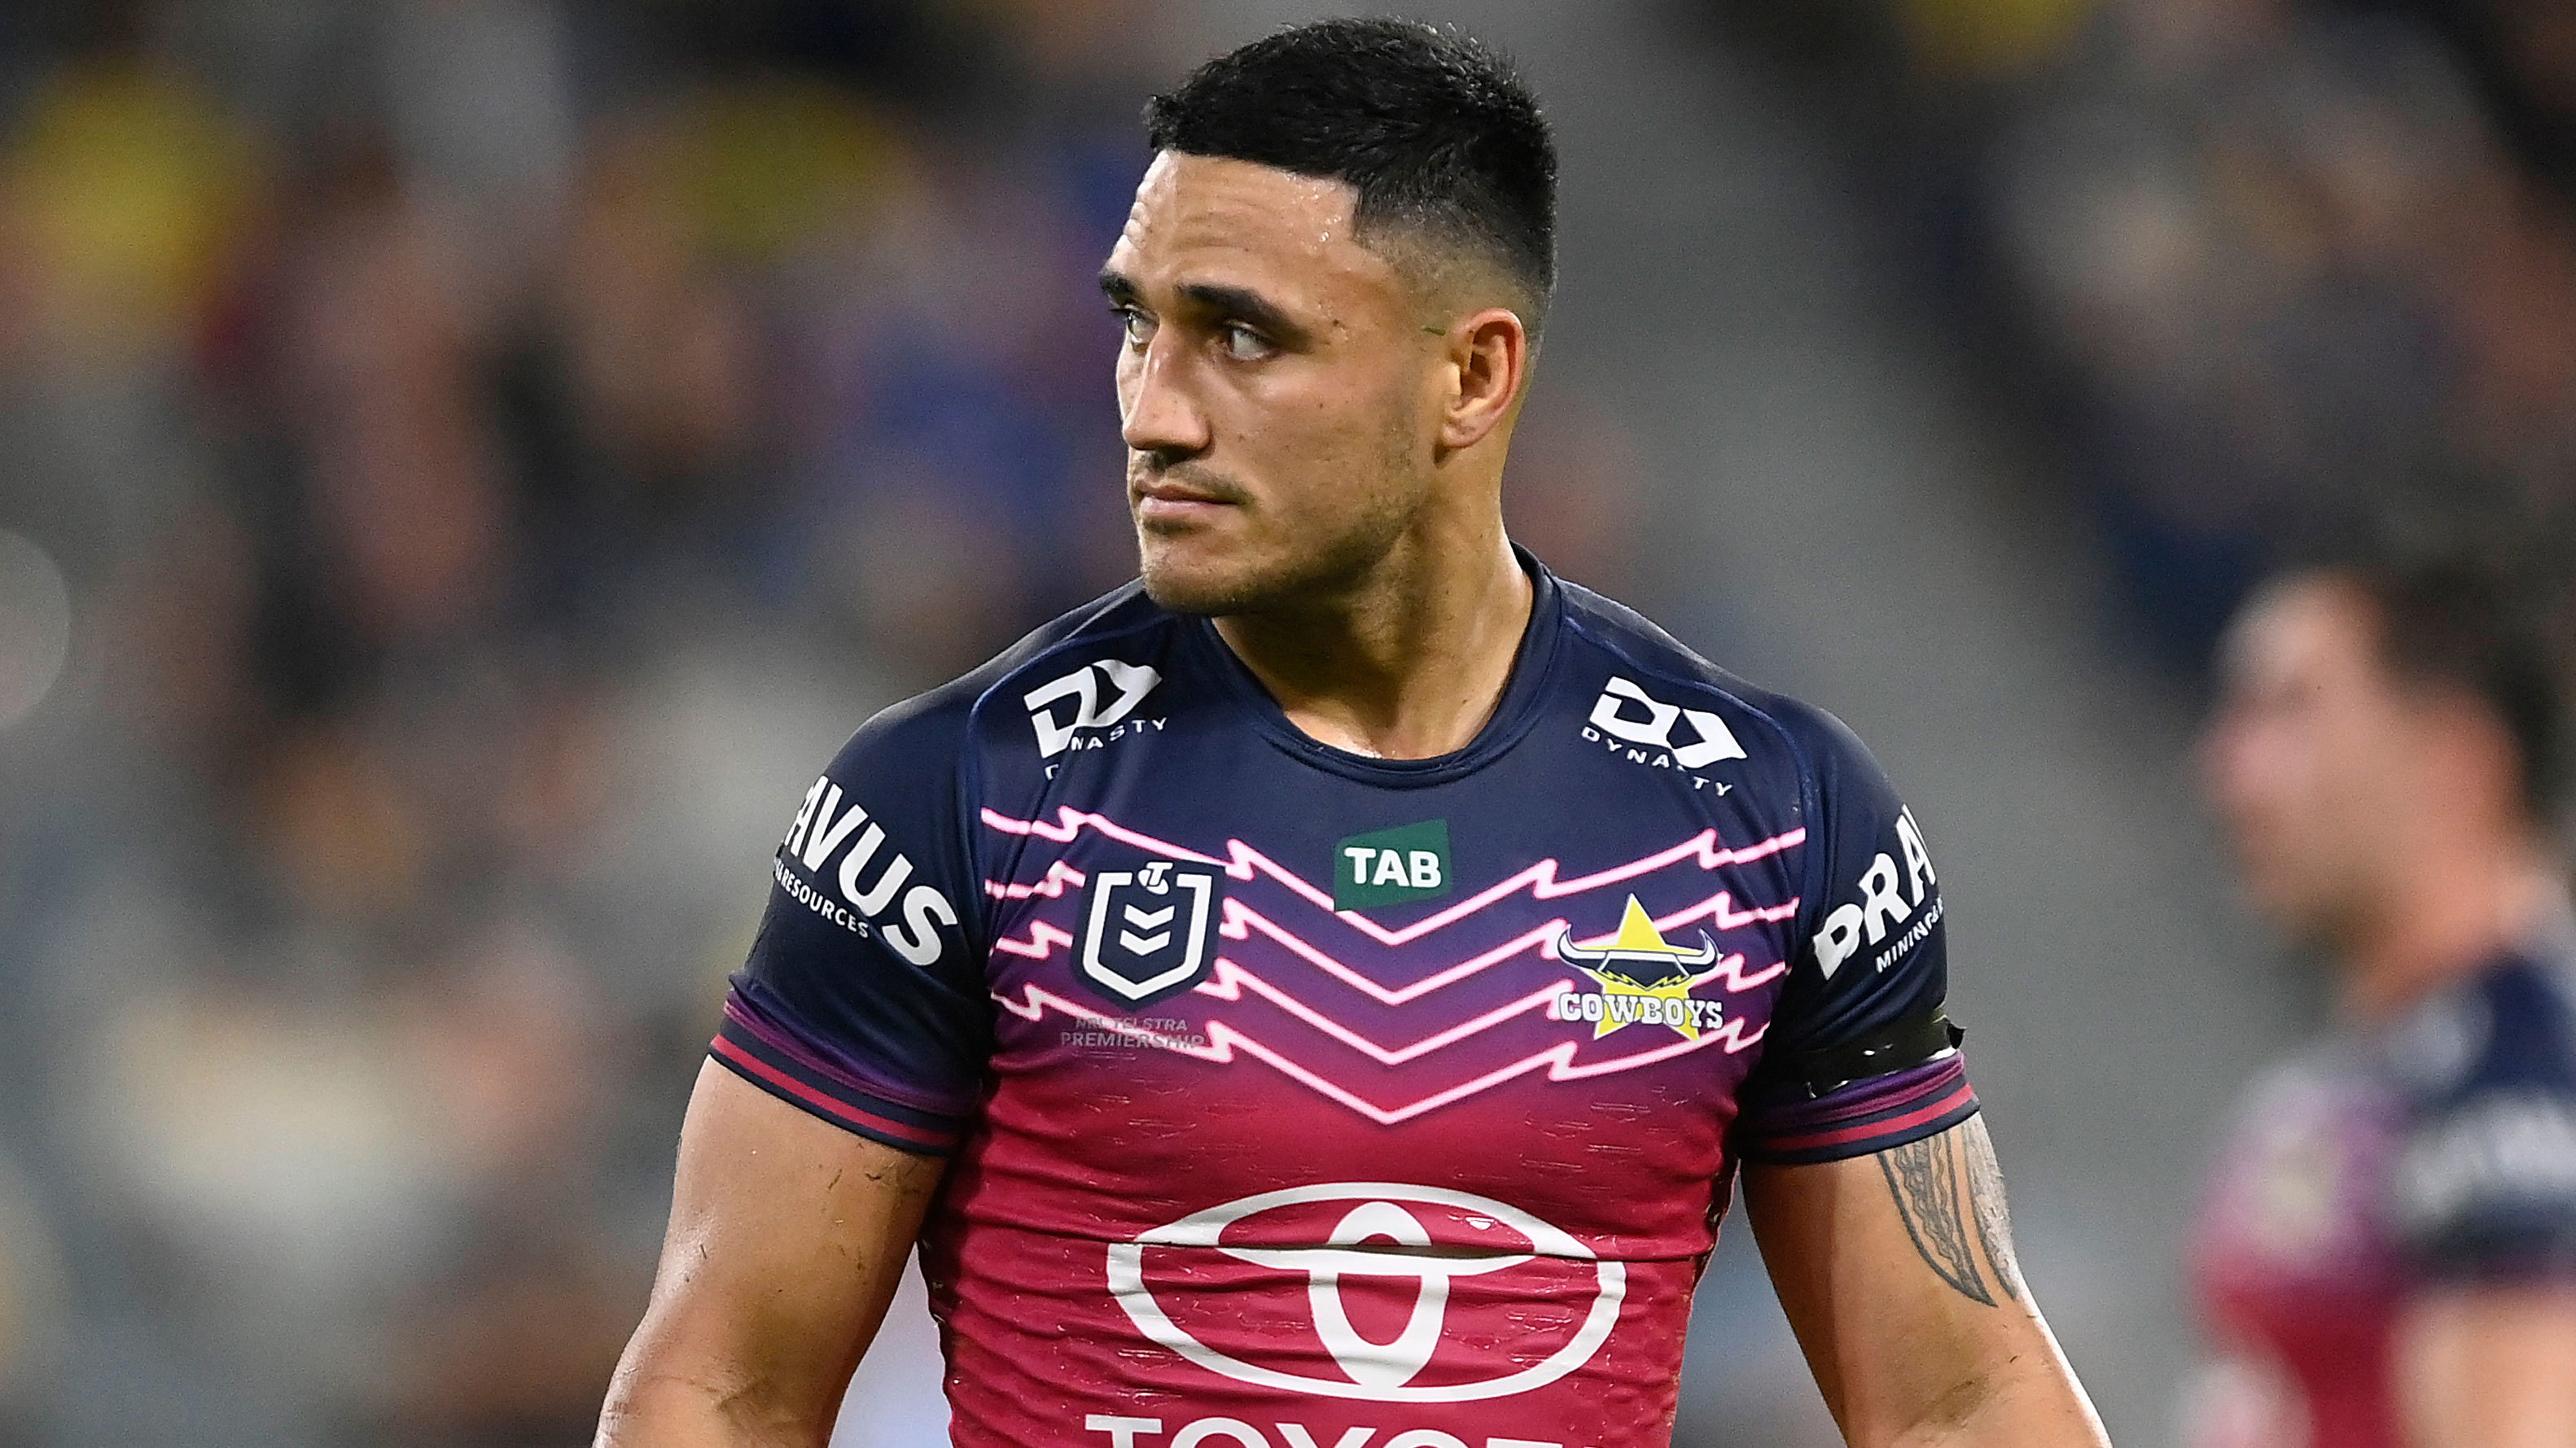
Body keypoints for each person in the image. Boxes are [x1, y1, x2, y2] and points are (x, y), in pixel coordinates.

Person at [596, 20, 2108, 1448]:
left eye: (1240, 337)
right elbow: (718, 1385)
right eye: (1139, 323)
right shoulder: (959, 798)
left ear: (1471, 374)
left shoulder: (1766, 818)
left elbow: (1956, 1399)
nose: (1151, 410)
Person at [2192, 508, 2576, 1448]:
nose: (2224, 770)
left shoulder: (2517, 1096)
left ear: (2454, 760)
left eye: (2287, 709)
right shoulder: (2372, 1083)